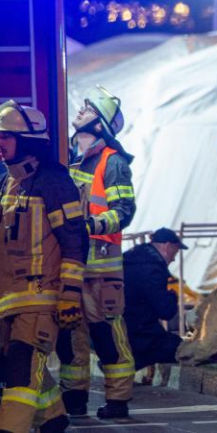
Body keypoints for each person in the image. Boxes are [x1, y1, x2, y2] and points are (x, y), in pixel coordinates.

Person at [0, 101, 87, 433]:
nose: (0, 143)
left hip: (41, 298)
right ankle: (53, 418)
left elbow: (75, 241)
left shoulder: (53, 182)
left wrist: (70, 295)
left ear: (28, 140)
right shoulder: (8, 182)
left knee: (21, 370)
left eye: (6, 137)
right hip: (11, 299)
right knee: (13, 363)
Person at [58, 86, 136, 419]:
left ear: (99, 125)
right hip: (73, 266)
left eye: (89, 109)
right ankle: (74, 398)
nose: (80, 111)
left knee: (108, 334)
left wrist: (90, 224)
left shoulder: (113, 162)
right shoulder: (72, 158)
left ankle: (118, 400)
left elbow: (125, 210)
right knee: (71, 332)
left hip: (102, 269)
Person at [122, 228, 188, 370]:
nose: (174, 258)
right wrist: (172, 296)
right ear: (167, 246)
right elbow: (165, 311)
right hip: (140, 334)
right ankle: (132, 361)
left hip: (117, 329)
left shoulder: (131, 256)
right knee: (181, 349)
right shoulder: (153, 268)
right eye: (175, 252)